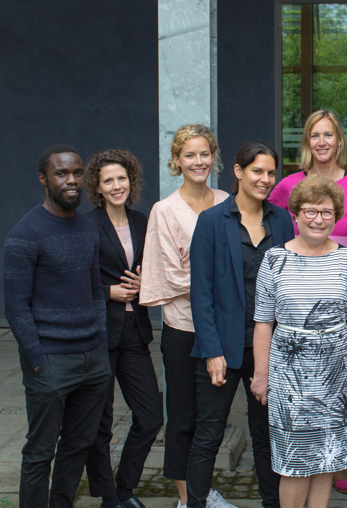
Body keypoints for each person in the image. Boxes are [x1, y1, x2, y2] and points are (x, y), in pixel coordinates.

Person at [186, 142, 294, 507]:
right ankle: (195, 504)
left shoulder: (282, 220)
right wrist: (211, 351)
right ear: (238, 171)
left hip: (271, 349)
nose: (265, 179)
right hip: (223, 348)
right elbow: (201, 293)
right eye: (257, 171)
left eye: (270, 173)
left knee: (267, 436)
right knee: (208, 435)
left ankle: (272, 504)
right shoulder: (212, 221)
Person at [253, 174, 347, 508]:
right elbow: (263, 323)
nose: (318, 219)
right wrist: (261, 375)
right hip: (289, 380)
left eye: (326, 212)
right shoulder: (273, 260)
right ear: (295, 213)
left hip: (336, 377)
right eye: (311, 211)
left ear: (336, 216)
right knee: (294, 462)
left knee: (327, 460)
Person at [4, 145, 111, 507]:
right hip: (50, 362)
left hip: (92, 359)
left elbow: (96, 292)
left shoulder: (87, 228)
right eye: (61, 173)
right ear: (43, 179)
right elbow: (15, 307)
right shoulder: (25, 234)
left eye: (77, 173)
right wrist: (37, 359)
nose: (71, 180)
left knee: (78, 445)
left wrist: (101, 344)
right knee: (40, 451)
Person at [139, 125, 233, 508]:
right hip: (183, 329)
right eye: (189, 155)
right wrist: (222, 280)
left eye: (204, 153)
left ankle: (203, 491)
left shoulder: (227, 201)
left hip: (222, 330)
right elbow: (170, 273)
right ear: (177, 160)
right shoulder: (164, 211)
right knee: (181, 419)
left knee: (212, 421)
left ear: (214, 157)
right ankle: (186, 499)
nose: (198, 161)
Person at [84, 150, 164, 508]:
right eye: (108, 181)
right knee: (99, 424)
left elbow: (154, 268)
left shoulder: (141, 220)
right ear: (98, 187)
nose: (117, 186)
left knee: (150, 416)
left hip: (135, 328)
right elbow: (74, 282)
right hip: (99, 332)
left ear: (131, 180)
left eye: (122, 178)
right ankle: (109, 497)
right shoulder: (87, 225)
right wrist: (108, 292)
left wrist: (147, 280)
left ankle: (125, 487)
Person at [270, 109, 347, 247]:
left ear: (339, 140)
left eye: (328, 135)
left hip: (346, 260)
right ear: (308, 142)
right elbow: (265, 221)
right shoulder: (288, 185)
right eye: (315, 136)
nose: (322, 142)